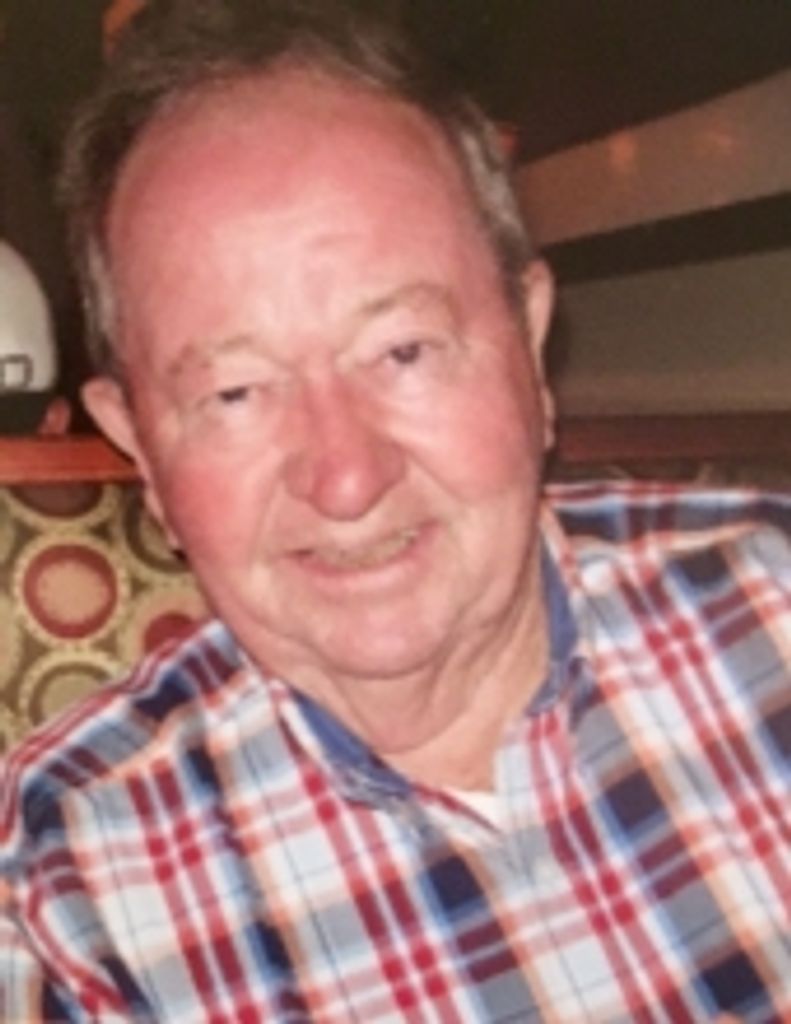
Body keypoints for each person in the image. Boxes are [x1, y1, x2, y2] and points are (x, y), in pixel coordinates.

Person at [2, 2, 790, 1020]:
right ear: (140, 445)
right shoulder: (61, 894)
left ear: (528, 343)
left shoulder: (773, 598)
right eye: (235, 392)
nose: (346, 477)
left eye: (403, 351)